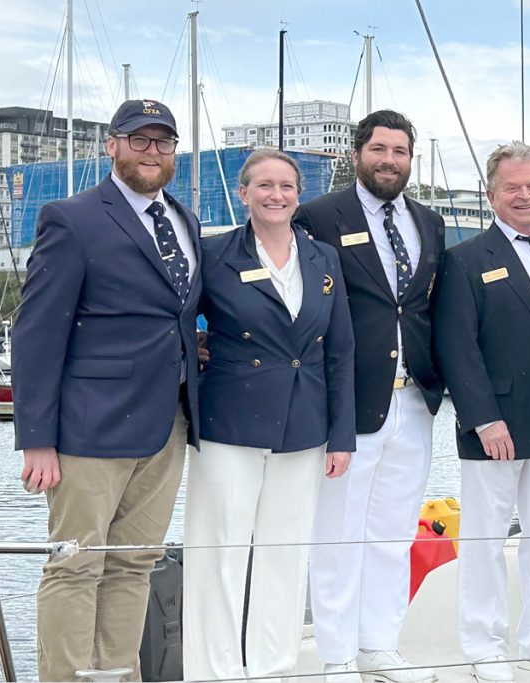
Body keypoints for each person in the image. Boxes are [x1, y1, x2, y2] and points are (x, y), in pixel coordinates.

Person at [12, 99, 200, 681]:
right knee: (75, 565)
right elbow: (36, 332)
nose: (151, 151)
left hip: (167, 424)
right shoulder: (71, 219)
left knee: (135, 563)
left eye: (162, 141)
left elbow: (174, 315)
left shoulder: (185, 221)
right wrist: (37, 440)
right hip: (89, 426)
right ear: (112, 145)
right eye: (138, 140)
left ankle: (118, 674)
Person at [182, 150, 356, 681]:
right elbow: (179, 327)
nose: (276, 195)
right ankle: (213, 674)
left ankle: (273, 669)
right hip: (229, 425)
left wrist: (341, 435)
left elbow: (340, 350)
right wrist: (195, 355)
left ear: (298, 195)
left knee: (285, 555)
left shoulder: (324, 258)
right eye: (264, 185)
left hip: (304, 426)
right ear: (243, 193)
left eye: (286, 186)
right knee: (219, 555)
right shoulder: (214, 253)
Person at [294, 109, 445, 683]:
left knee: (393, 532)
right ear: (357, 154)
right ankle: (336, 656)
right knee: (337, 533)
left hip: (415, 399)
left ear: (410, 159)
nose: (389, 160)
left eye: (399, 151)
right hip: (349, 401)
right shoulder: (318, 217)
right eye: (379, 149)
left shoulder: (429, 222)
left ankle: (380, 646)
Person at [435, 142, 530, 683]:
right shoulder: (465, 259)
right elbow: (456, 346)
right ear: (491, 194)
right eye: (512, 188)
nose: (524, 196)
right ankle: (484, 647)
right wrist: (483, 418)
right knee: (484, 538)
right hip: (495, 424)